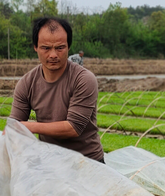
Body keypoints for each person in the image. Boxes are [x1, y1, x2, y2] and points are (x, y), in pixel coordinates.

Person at [9, 17, 104, 162]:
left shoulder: (83, 79)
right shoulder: (27, 83)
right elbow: (14, 126)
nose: (53, 55)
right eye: (46, 48)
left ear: (68, 46)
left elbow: (72, 128)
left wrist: (30, 126)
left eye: (60, 48)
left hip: (87, 162)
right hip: (50, 162)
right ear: (35, 47)